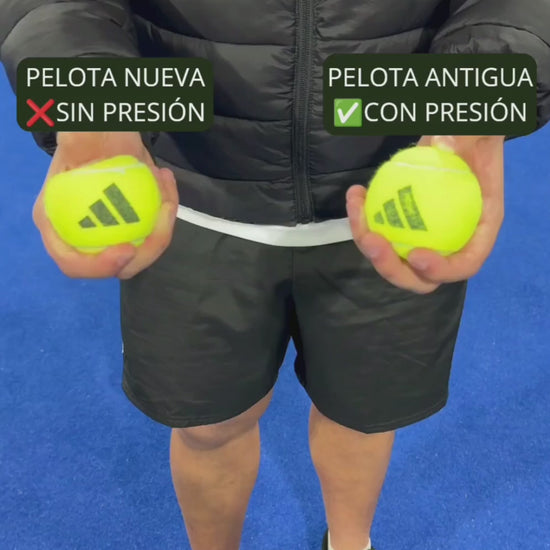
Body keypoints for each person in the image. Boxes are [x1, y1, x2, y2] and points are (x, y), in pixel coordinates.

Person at [1, 2, 549, 549]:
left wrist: (473, 101)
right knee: (207, 427)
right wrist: (93, 101)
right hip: (188, 193)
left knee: (362, 417)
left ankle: (350, 544)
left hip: (395, 196)